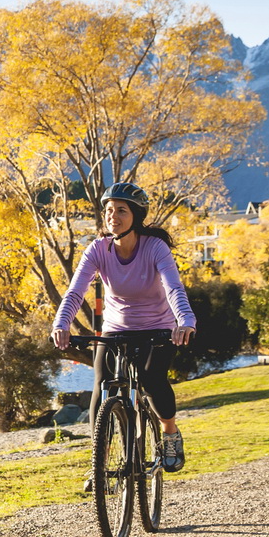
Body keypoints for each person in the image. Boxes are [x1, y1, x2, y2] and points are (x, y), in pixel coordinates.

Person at [51, 182, 197, 476]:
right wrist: (61, 322)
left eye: (121, 210)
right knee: (102, 383)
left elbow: (173, 288)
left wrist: (185, 321)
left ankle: (169, 434)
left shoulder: (154, 247)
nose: (112, 216)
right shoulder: (98, 249)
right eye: (108, 210)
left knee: (152, 379)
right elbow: (75, 292)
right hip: (116, 329)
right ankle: (99, 461)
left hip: (158, 328)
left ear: (136, 216)